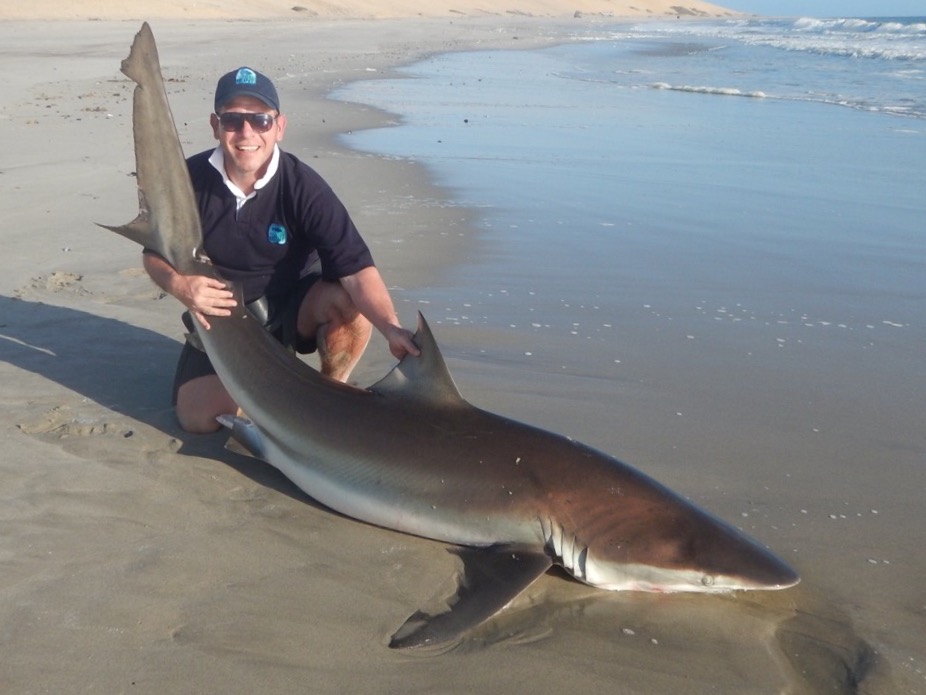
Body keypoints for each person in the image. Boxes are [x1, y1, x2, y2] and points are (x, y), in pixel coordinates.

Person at [143, 66, 419, 434]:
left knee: (349, 304)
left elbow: (357, 271)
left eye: (260, 120)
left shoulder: (305, 188)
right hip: (222, 317)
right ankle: (270, 395)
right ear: (215, 125)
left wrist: (392, 328)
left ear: (279, 126)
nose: (246, 133)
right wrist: (179, 285)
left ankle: (330, 393)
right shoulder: (188, 180)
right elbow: (152, 254)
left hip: (293, 309)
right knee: (197, 419)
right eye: (233, 120)